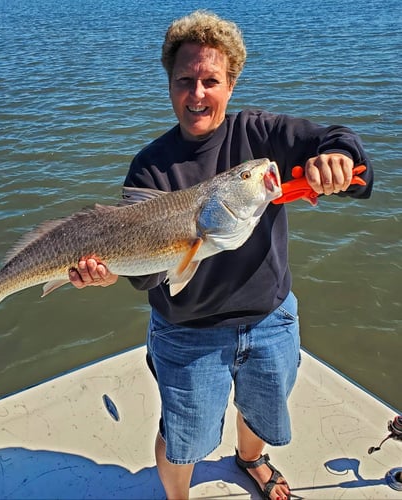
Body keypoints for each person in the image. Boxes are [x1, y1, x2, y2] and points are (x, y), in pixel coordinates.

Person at [69, 10, 373, 500]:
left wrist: (338, 157)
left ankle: (249, 458)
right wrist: (106, 273)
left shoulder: (259, 139)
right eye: (185, 80)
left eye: (210, 80)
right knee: (183, 439)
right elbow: (150, 279)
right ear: (169, 85)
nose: (197, 95)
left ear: (230, 85)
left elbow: (339, 144)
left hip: (270, 320)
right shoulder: (150, 168)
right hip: (186, 335)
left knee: (260, 409)